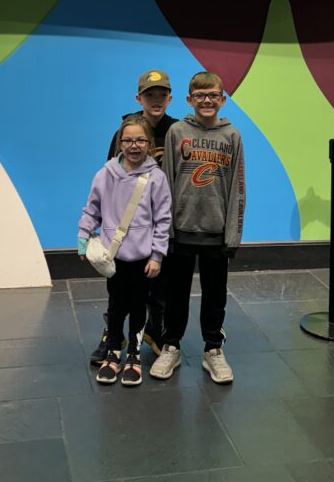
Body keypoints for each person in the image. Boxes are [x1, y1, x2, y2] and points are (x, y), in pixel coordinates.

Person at [150, 71, 245, 385]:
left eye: (213, 95)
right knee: (175, 294)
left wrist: (232, 235)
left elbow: (237, 189)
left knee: (215, 295)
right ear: (190, 100)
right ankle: (171, 345)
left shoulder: (232, 136)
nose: (206, 100)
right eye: (200, 95)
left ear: (222, 99)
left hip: (216, 233)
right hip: (182, 231)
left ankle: (213, 350)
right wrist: (165, 232)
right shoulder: (177, 131)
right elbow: (165, 185)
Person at [89, 70, 177, 365]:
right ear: (139, 98)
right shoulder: (123, 131)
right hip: (127, 229)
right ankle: (114, 335)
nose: (156, 100)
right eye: (149, 95)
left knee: (159, 284)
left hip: (162, 222)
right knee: (120, 289)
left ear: (170, 98)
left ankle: (153, 330)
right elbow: (111, 175)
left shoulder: (177, 131)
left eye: (161, 94)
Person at [78, 114, 172, 386]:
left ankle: (133, 353)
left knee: (139, 306)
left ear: (150, 144)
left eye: (140, 140)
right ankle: (113, 352)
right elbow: (92, 208)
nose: (134, 146)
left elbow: (163, 219)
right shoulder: (105, 174)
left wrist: (157, 255)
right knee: (116, 305)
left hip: (143, 259)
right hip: (113, 257)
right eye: (128, 140)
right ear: (119, 143)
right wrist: (83, 236)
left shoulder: (156, 178)